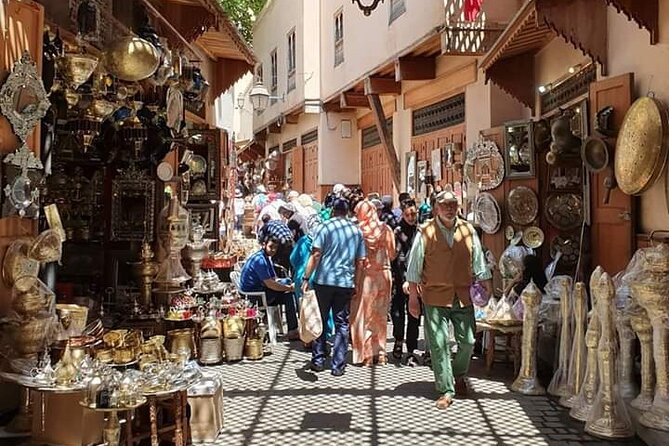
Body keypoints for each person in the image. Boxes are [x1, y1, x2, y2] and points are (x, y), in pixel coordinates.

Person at [406, 190, 492, 409]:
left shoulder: (467, 230)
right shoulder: (425, 231)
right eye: (445, 205)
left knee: (468, 341)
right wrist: (413, 299)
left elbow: (478, 260)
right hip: (434, 295)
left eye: (453, 204)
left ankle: (458, 373)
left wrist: (487, 284)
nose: (450, 208)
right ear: (436, 208)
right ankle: (446, 389)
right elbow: (414, 267)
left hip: (462, 294)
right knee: (439, 343)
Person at [301, 198, 366, 376]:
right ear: (347, 212)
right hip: (345, 282)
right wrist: (357, 283)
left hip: (323, 280)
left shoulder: (324, 227)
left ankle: (318, 359)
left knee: (320, 320)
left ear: (332, 211)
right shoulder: (356, 231)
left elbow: (315, 254)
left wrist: (306, 277)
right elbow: (360, 262)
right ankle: (338, 365)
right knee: (342, 323)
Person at [350, 200, 396, 366]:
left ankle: (368, 354)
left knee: (366, 316)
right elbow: (392, 254)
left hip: (366, 277)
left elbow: (357, 259)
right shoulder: (386, 229)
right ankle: (382, 353)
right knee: (381, 316)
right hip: (384, 275)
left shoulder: (359, 231)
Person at [239, 236, 299, 339]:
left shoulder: (266, 258)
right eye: (271, 247)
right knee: (289, 295)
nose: (273, 250)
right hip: (254, 296)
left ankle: (294, 328)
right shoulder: (260, 260)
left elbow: (274, 279)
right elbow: (270, 284)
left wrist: (287, 283)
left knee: (288, 283)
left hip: (262, 290)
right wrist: (288, 288)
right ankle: (293, 330)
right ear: (263, 245)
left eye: (275, 248)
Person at [390, 198, 420, 365]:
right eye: (408, 214)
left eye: (413, 214)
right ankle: (398, 340)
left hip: (415, 279)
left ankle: (411, 348)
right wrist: (402, 278)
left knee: (414, 313)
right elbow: (397, 257)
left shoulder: (419, 230)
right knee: (397, 312)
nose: (411, 217)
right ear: (403, 213)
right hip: (399, 278)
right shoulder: (397, 232)